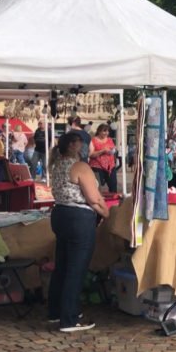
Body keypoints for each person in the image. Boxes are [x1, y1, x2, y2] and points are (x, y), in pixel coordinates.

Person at [47, 132, 109, 332]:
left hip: (60, 215)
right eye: (84, 144)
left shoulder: (57, 165)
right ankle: (69, 318)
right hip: (78, 218)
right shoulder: (80, 166)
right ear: (74, 146)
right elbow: (93, 198)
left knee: (63, 266)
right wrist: (106, 212)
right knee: (76, 268)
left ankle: (55, 311)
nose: (87, 149)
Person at [88, 123, 117, 193]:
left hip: (110, 166)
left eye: (108, 131)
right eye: (104, 131)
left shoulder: (110, 139)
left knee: (113, 185)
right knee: (97, 186)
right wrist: (102, 151)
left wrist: (113, 151)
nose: (106, 133)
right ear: (99, 131)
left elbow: (113, 149)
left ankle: (114, 201)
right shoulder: (93, 140)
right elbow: (91, 154)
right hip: (97, 166)